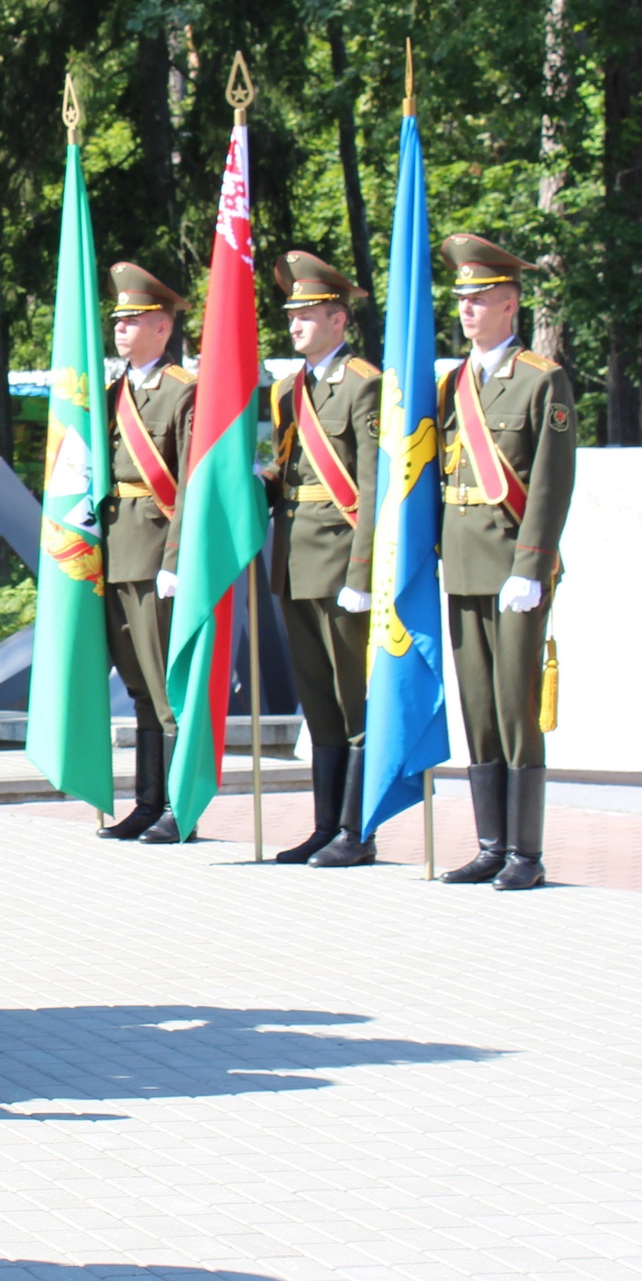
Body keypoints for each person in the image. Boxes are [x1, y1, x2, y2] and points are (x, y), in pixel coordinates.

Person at [433, 234, 574, 891]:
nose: (467, 309)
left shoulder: (543, 380)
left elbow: (550, 479)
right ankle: (491, 843)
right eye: (462, 298)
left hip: (514, 569)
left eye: (481, 298)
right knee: (479, 707)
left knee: (517, 710)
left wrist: (533, 562)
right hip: (461, 564)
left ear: (511, 304)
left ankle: (527, 852)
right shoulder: (454, 382)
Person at [265, 252, 382, 866]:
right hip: (295, 558)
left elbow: (374, 482)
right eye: (293, 315)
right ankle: (324, 825)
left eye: (308, 314)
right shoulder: (290, 390)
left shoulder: (363, 383)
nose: (296, 325)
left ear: (339, 320)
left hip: (341, 562)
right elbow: (289, 475)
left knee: (352, 700)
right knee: (318, 701)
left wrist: (362, 574)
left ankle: (356, 831)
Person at [95, 262, 195, 844]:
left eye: (134, 320)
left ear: (162, 326)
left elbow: (190, 486)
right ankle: (146, 802)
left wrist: (176, 560)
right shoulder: (113, 395)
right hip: (115, 550)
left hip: (157, 551)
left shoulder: (183, 392)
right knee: (136, 685)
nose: (121, 329)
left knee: (165, 689)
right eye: (118, 320)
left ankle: (178, 806)